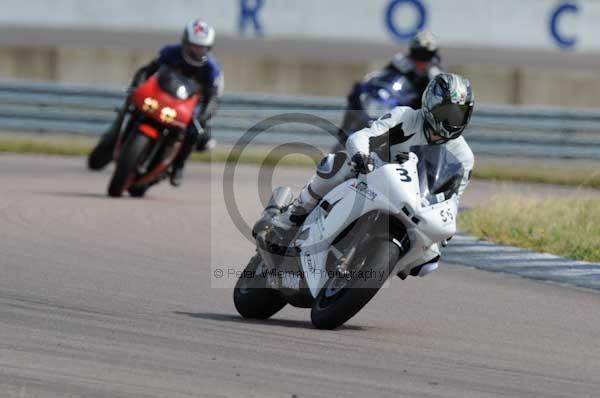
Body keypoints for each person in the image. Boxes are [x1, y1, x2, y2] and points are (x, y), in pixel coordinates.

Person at [264, 73, 475, 278]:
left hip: (414, 200)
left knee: (428, 262)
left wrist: (445, 231)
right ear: (432, 105)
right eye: (447, 112)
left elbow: (453, 197)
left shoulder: (463, 156)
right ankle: (292, 216)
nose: (451, 121)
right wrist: (361, 155)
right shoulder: (406, 117)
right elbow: (365, 135)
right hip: (374, 172)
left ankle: (372, 267)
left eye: (459, 114)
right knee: (336, 163)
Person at [94, 19, 224, 187]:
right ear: (185, 42)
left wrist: (203, 116)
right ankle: (114, 135)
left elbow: (213, 98)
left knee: (195, 132)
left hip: (189, 103)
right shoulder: (170, 52)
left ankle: (178, 166)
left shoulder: (211, 69)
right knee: (132, 102)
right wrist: (136, 86)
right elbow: (147, 71)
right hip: (162, 94)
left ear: (209, 48)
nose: (197, 50)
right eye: (194, 45)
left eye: (202, 47)